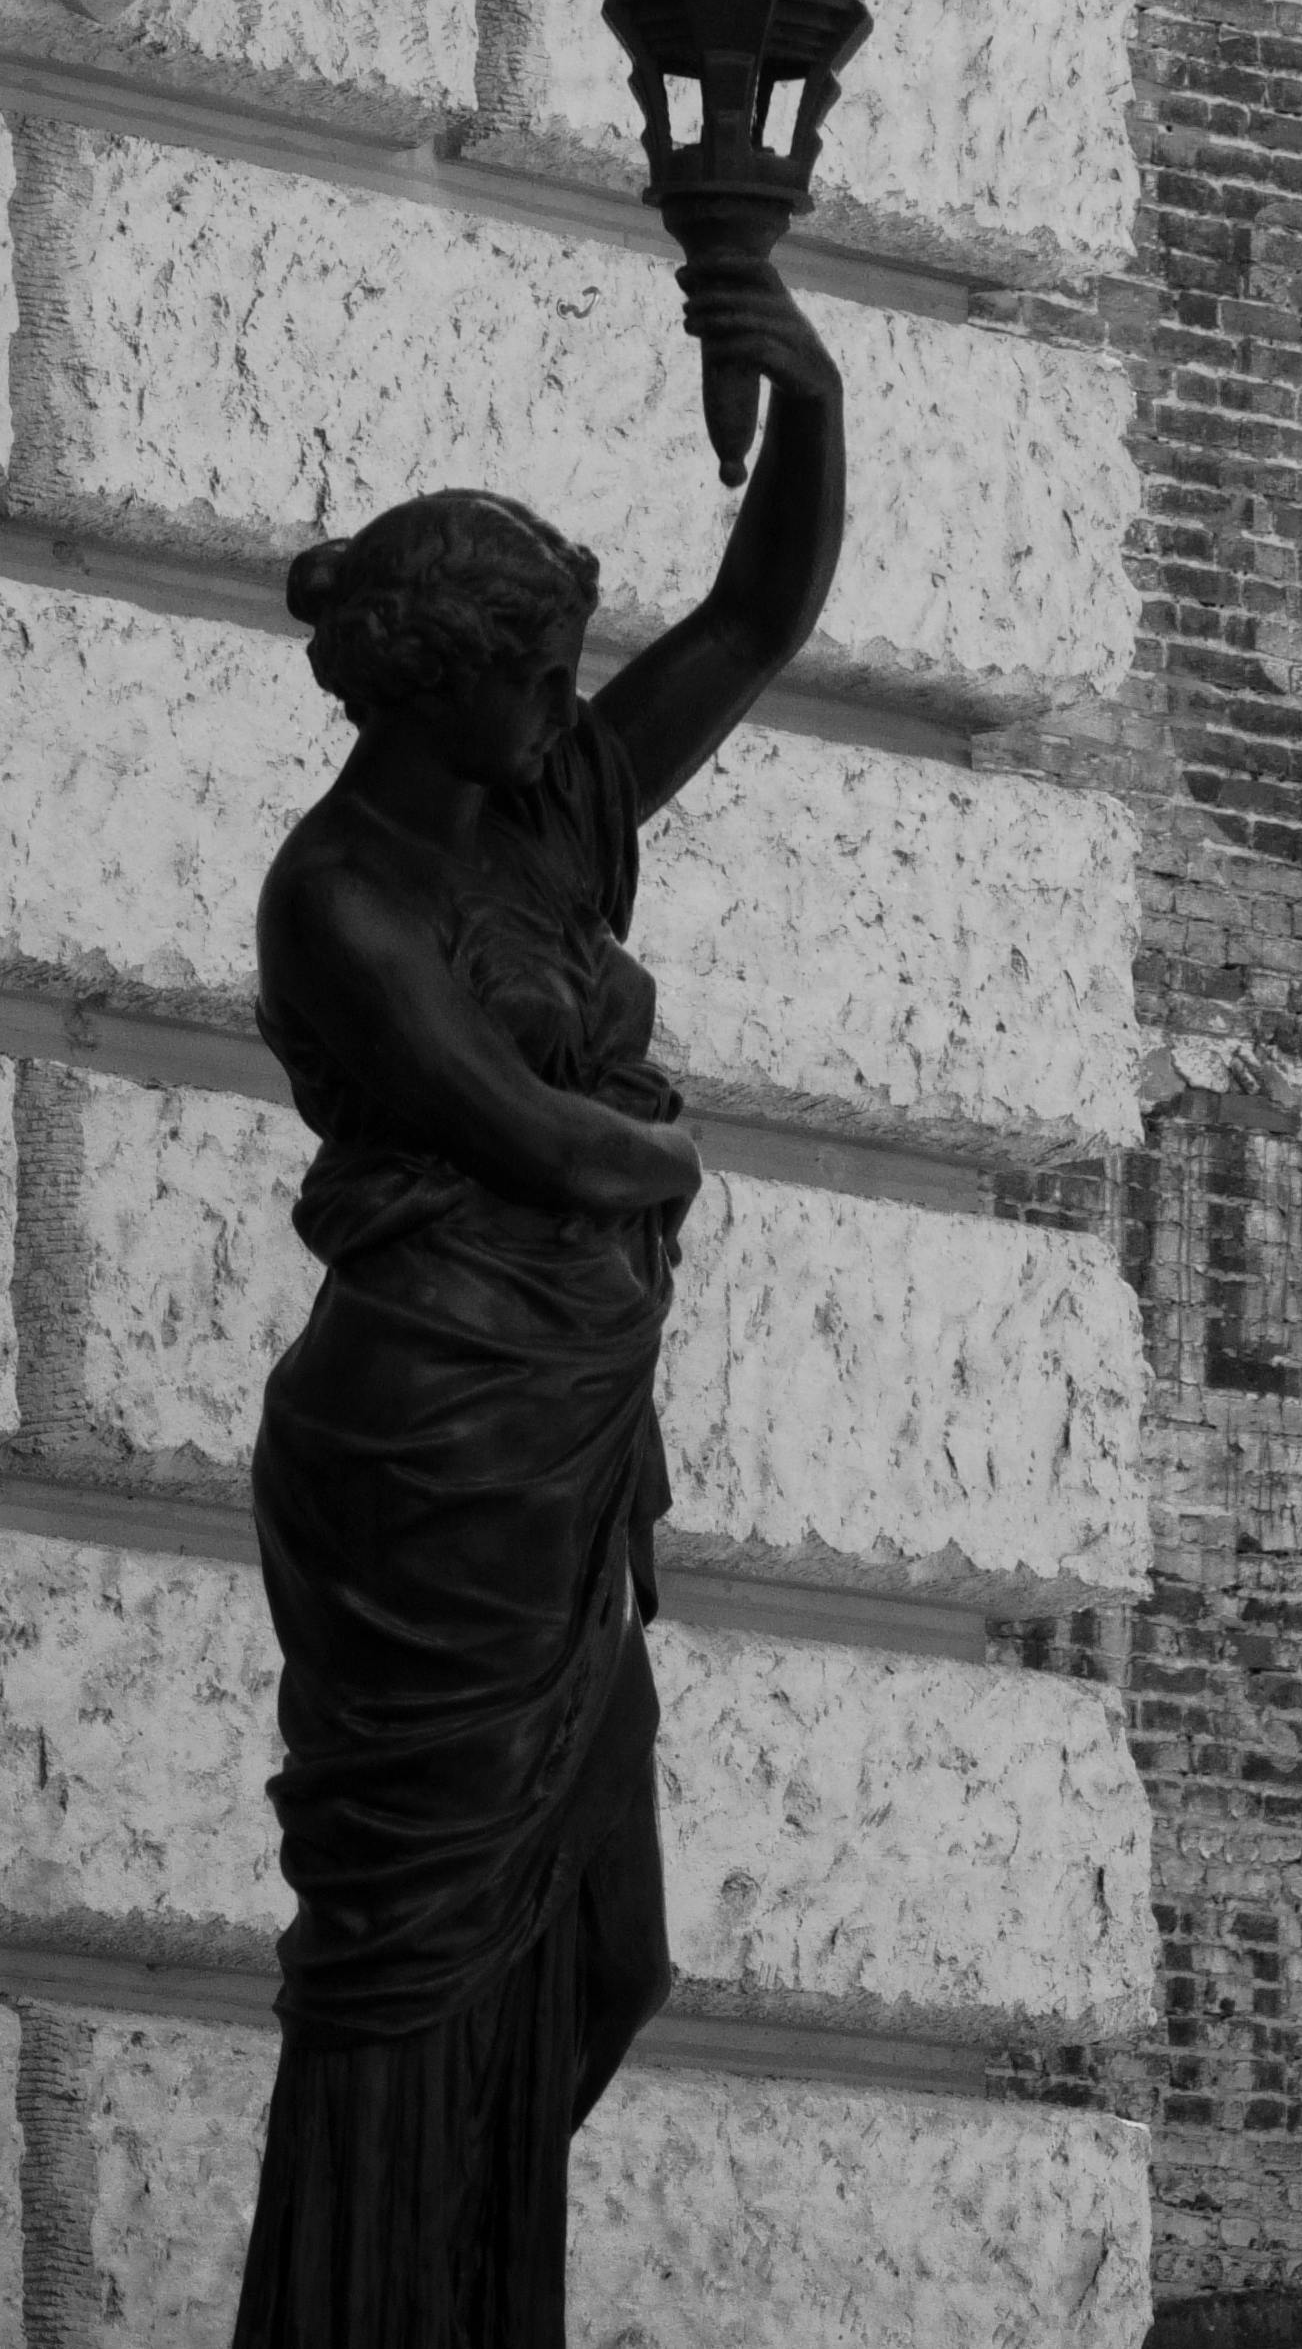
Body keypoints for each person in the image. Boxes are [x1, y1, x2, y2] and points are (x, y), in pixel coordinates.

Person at [227, 264, 843, 2349]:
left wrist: (806, 386)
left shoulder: (546, 809)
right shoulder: (342, 893)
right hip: (431, 1435)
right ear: (432, 683)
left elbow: (753, 624)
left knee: (603, 1948)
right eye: (537, 672)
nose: (568, 705)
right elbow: (541, 1135)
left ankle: (464, 2290)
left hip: (563, 1433)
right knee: (412, 1943)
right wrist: (661, 1140)